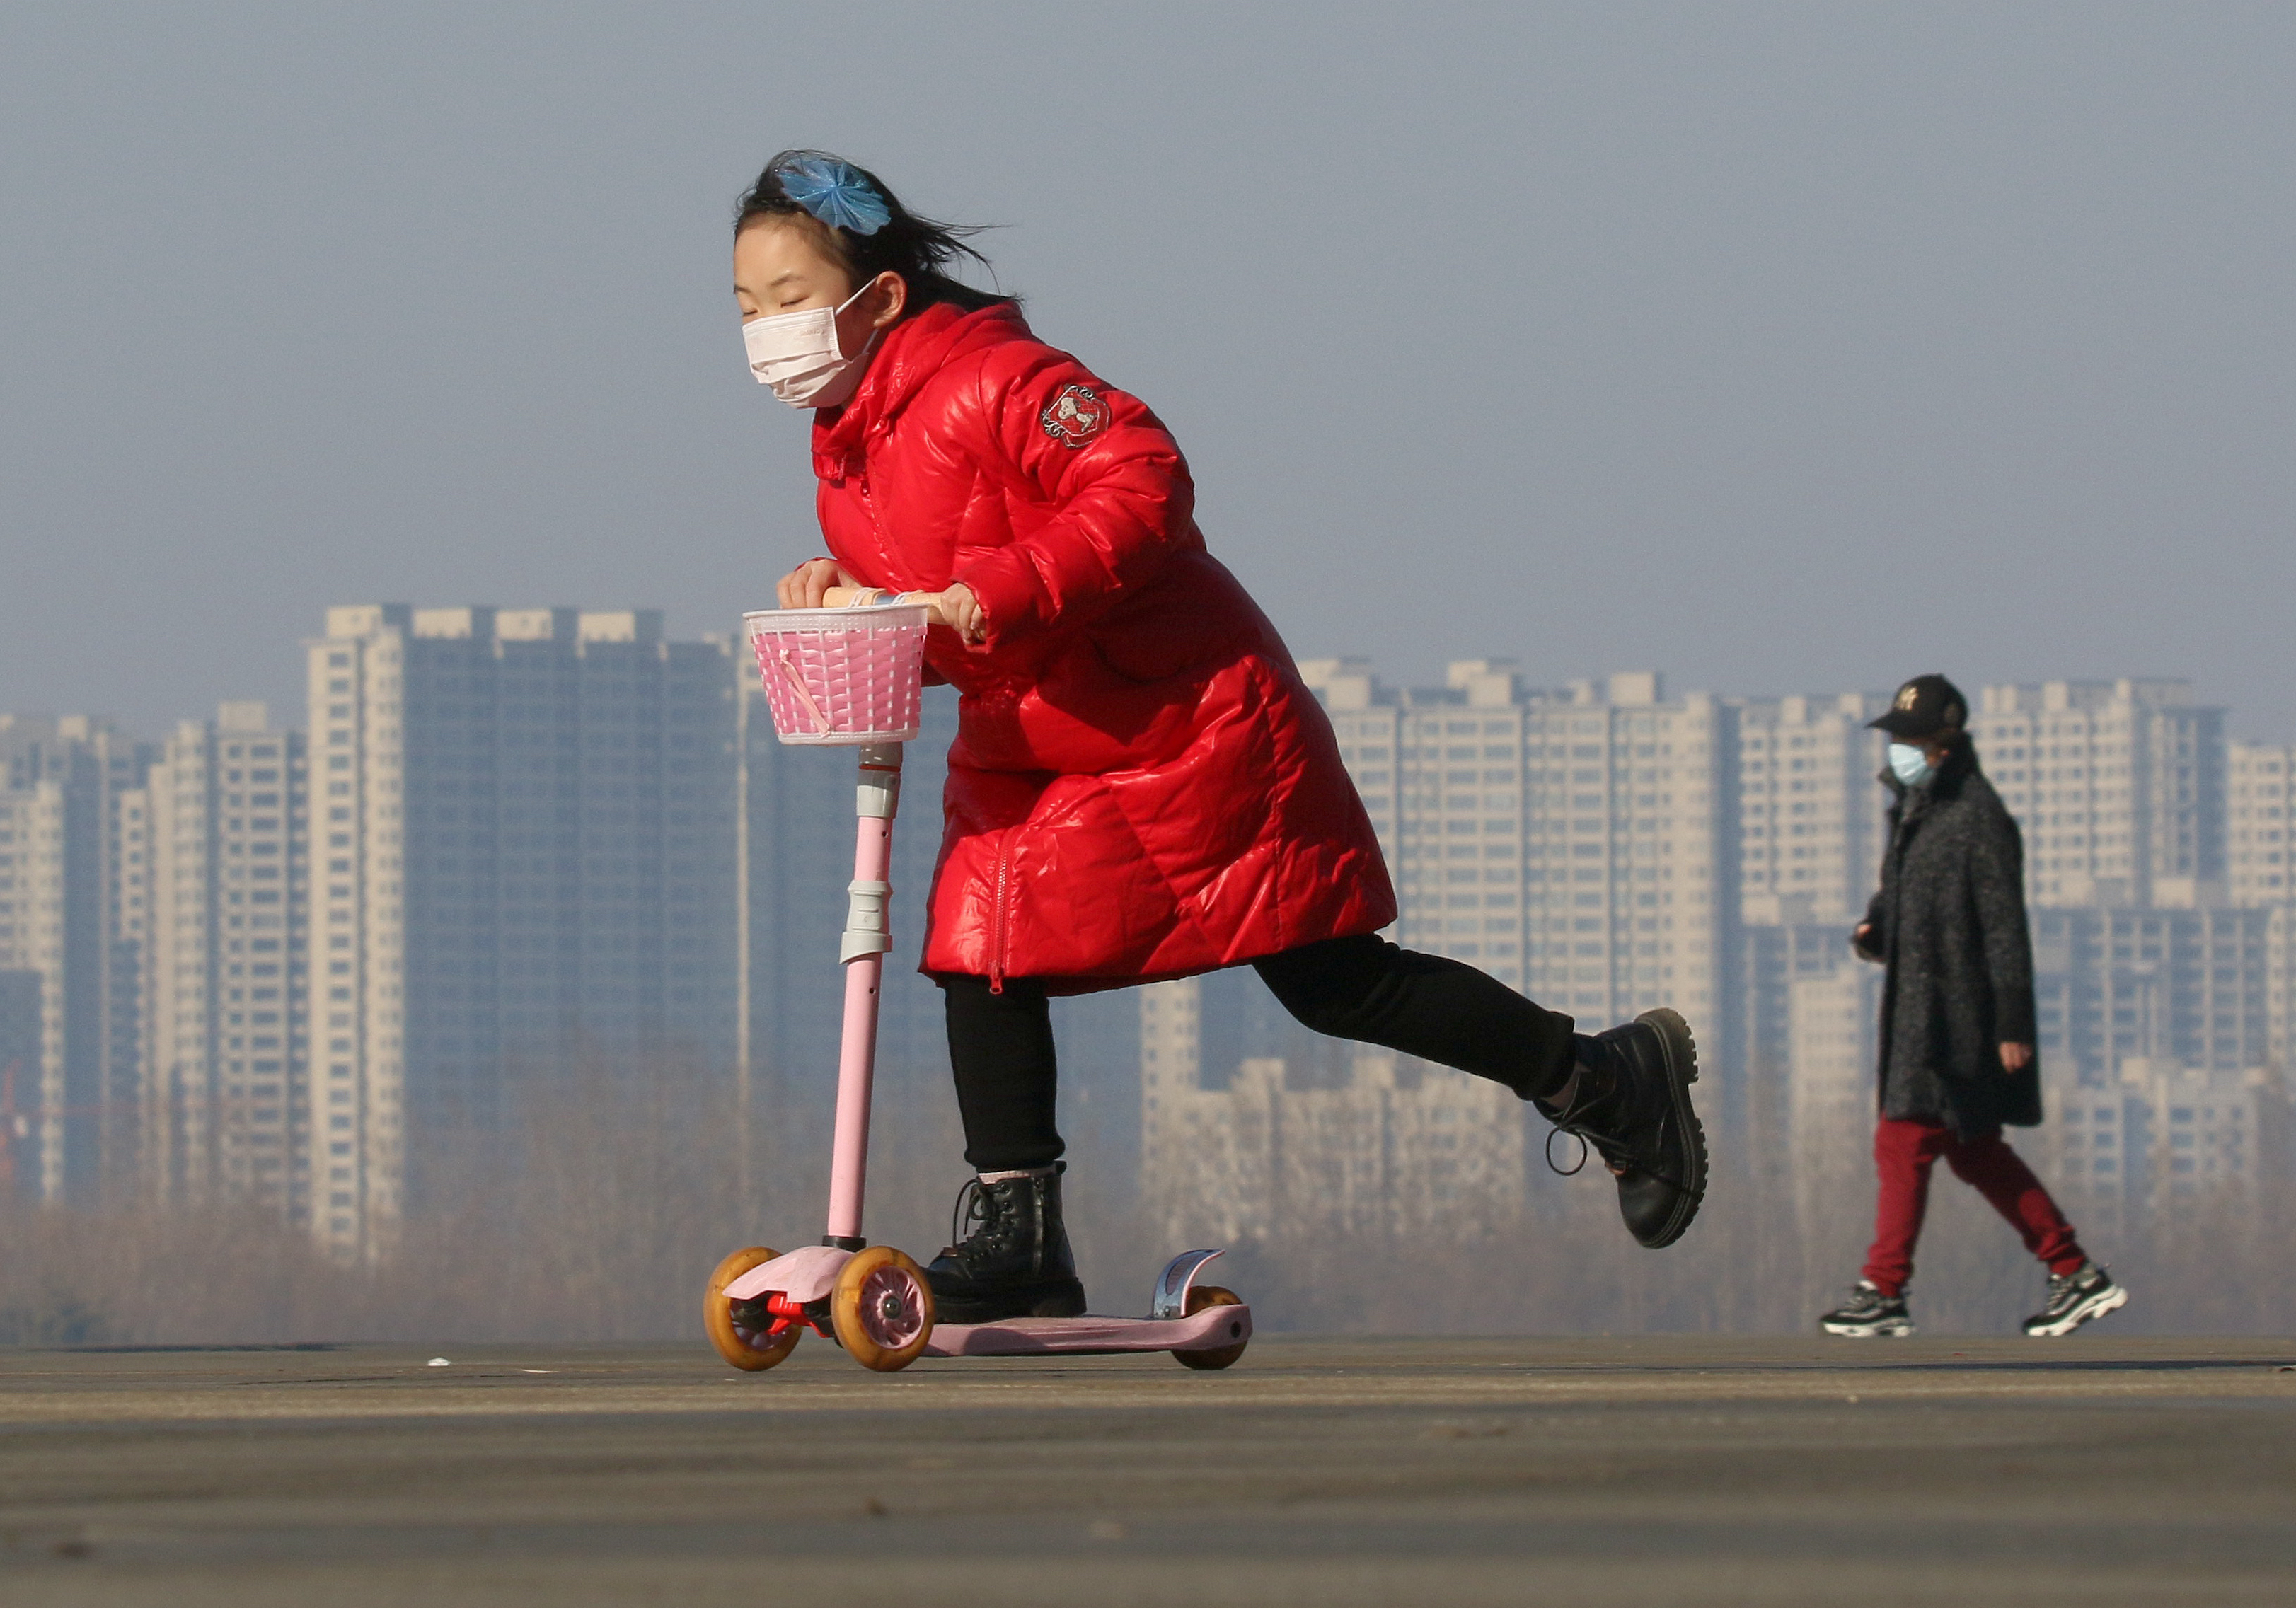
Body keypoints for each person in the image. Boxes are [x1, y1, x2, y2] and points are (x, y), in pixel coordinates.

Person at [732, 151, 1709, 1323]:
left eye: (791, 300)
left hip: (1186, 714)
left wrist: (1001, 586)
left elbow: (1141, 481)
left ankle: (1602, 1077)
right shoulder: (847, 452)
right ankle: (1019, 1230)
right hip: (1036, 739)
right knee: (972, 946)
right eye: (747, 309)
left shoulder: (1002, 378)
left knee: (1330, 975)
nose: (767, 333)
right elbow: (951, 619)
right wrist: (845, 595)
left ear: (878, 298)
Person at [1821, 673, 2128, 1339]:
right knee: (1974, 1150)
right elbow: (1898, 897)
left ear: (1942, 745)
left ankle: (1883, 1288)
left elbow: (2002, 927)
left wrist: (2013, 1024)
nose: (1896, 749)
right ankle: (2074, 1272)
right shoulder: (1913, 814)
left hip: (1954, 1021)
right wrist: (1875, 928)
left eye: (1908, 738)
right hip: (1915, 1011)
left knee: (1902, 1141)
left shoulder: (1978, 821)